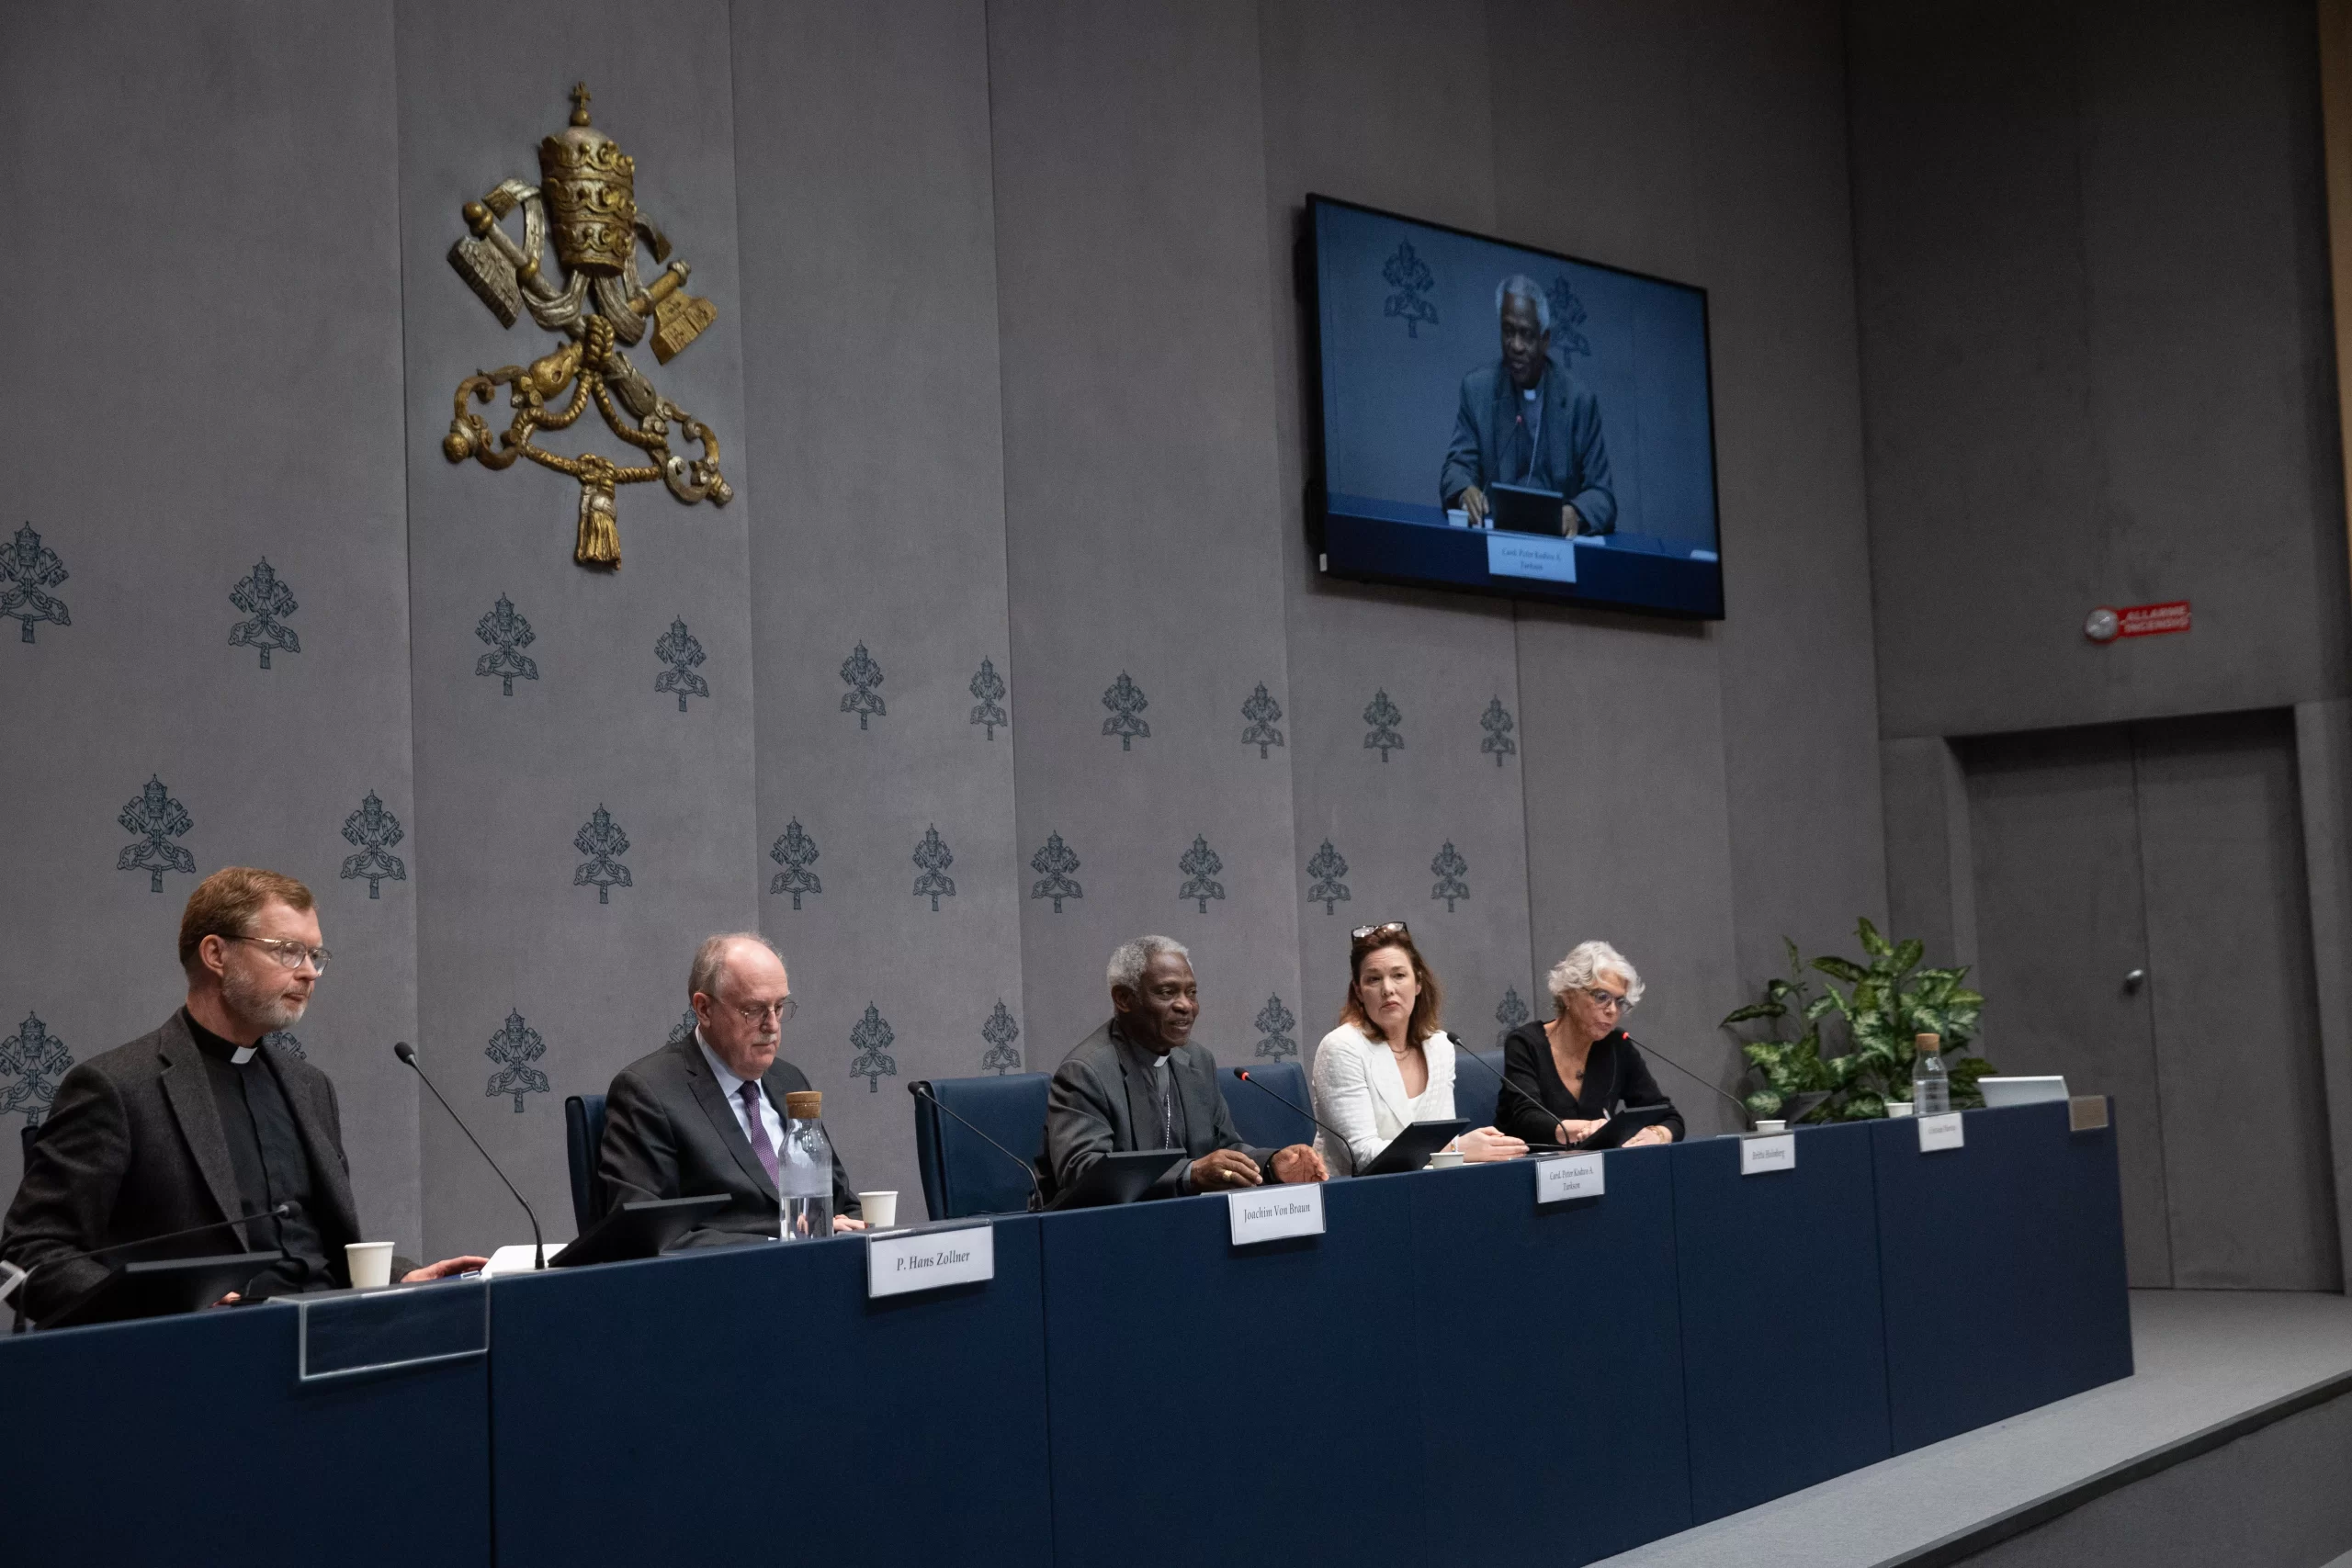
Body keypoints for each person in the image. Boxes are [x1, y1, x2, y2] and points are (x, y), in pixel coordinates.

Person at [0, 867, 485, 1325]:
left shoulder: (310, 1087)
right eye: (288, 951)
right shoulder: (117, 1089)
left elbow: (320, 1253)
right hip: (200, 1363)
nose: (310, 972)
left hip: (333, 1336)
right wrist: (164, 1305)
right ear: (216, 955)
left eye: (316, 955)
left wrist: (401, 1277)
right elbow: (28, 1256)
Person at [599, 932, 865, 1242]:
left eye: (779, 1007)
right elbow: (644, 1233)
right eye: (753, 1010)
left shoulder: (789, 1081)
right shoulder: (648, 1092)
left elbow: (841, 1201)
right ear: (704, 1009)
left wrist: (853, 1226)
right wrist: (779, 1244)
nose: (772, 1025)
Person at [1046, 935, 1327, 1198]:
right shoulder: (1086, 1072)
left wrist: (1270, 1165)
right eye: (1167, 992)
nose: (1186, 1006)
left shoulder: (1197, 1060)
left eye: (1191, 993)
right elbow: (1084, 1173)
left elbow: (1225, 1148)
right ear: (1124, 998)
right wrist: (1191, 1173)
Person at [1309, 922, 1526, 1176]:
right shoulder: (1342, 1048)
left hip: (1427, 1192)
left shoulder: (1439, 1045)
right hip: (1356, 1198)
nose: (1388, 989)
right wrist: (1459, 1148)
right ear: (1358, 991)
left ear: (1418, 983)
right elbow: (1363, 1156)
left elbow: (1441, 1140)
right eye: (1373, 979)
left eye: (1399, 975)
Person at [1439, 274, 1616, 535]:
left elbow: (1602, 495)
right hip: (1494, 542)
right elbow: (1456, 469)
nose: (1516, 346)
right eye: (1508, 332)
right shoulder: (1477, 391)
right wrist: (1466, 492)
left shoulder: (1579, 402)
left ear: (1545, 340)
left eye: (1526, 335)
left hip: (1557, 549)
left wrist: (1575, 514)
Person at [1496, 941, 1682, 1149]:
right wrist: (1592, 1128)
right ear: (1568, 995)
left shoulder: (1617, 1046)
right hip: (1530, 1168)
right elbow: (1528, 1119)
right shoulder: (1525, 1043)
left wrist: (1657, 1134)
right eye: (1602, 997)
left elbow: (1668, 1115)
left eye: (1620, 1001)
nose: (1612, 1010)